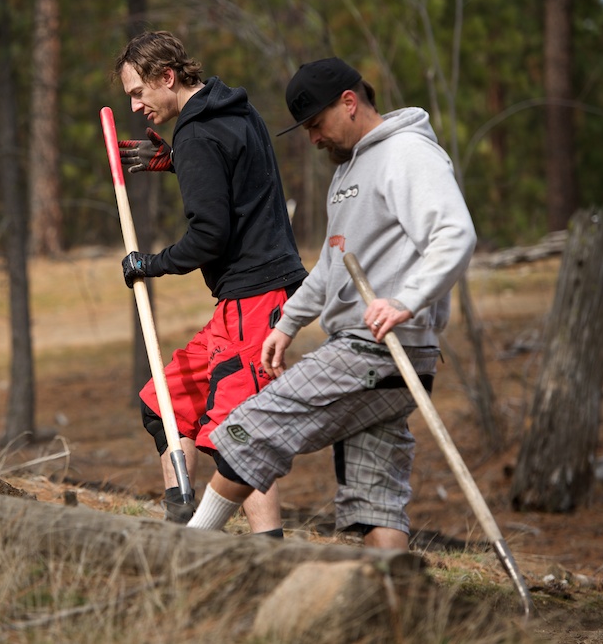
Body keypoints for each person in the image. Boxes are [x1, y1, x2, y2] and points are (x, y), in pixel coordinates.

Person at [185, 57, 477, 549]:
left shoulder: (408, 153)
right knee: (375, 503)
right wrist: (288, 323)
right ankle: (400, 613)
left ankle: (184, 553)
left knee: (248, 428)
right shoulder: (347, 174)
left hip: (380, 351)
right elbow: (330, 265)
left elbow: (454, 233)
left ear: (349, 103)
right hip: (378, 360)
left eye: (316, 125)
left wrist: (405, 301)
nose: (313, 139)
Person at [112, 31, 307, 534]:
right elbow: (238, 172)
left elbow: (208, 239)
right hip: (240, 301)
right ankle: (181, 519)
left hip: (256, 296)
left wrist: (147, 265)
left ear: (167, 77)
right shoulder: (237, 112)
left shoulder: (198, 135)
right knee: (165, 401)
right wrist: (179, 161)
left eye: (138, 92)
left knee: (239, 431)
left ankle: (266, 552)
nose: (135, 106)